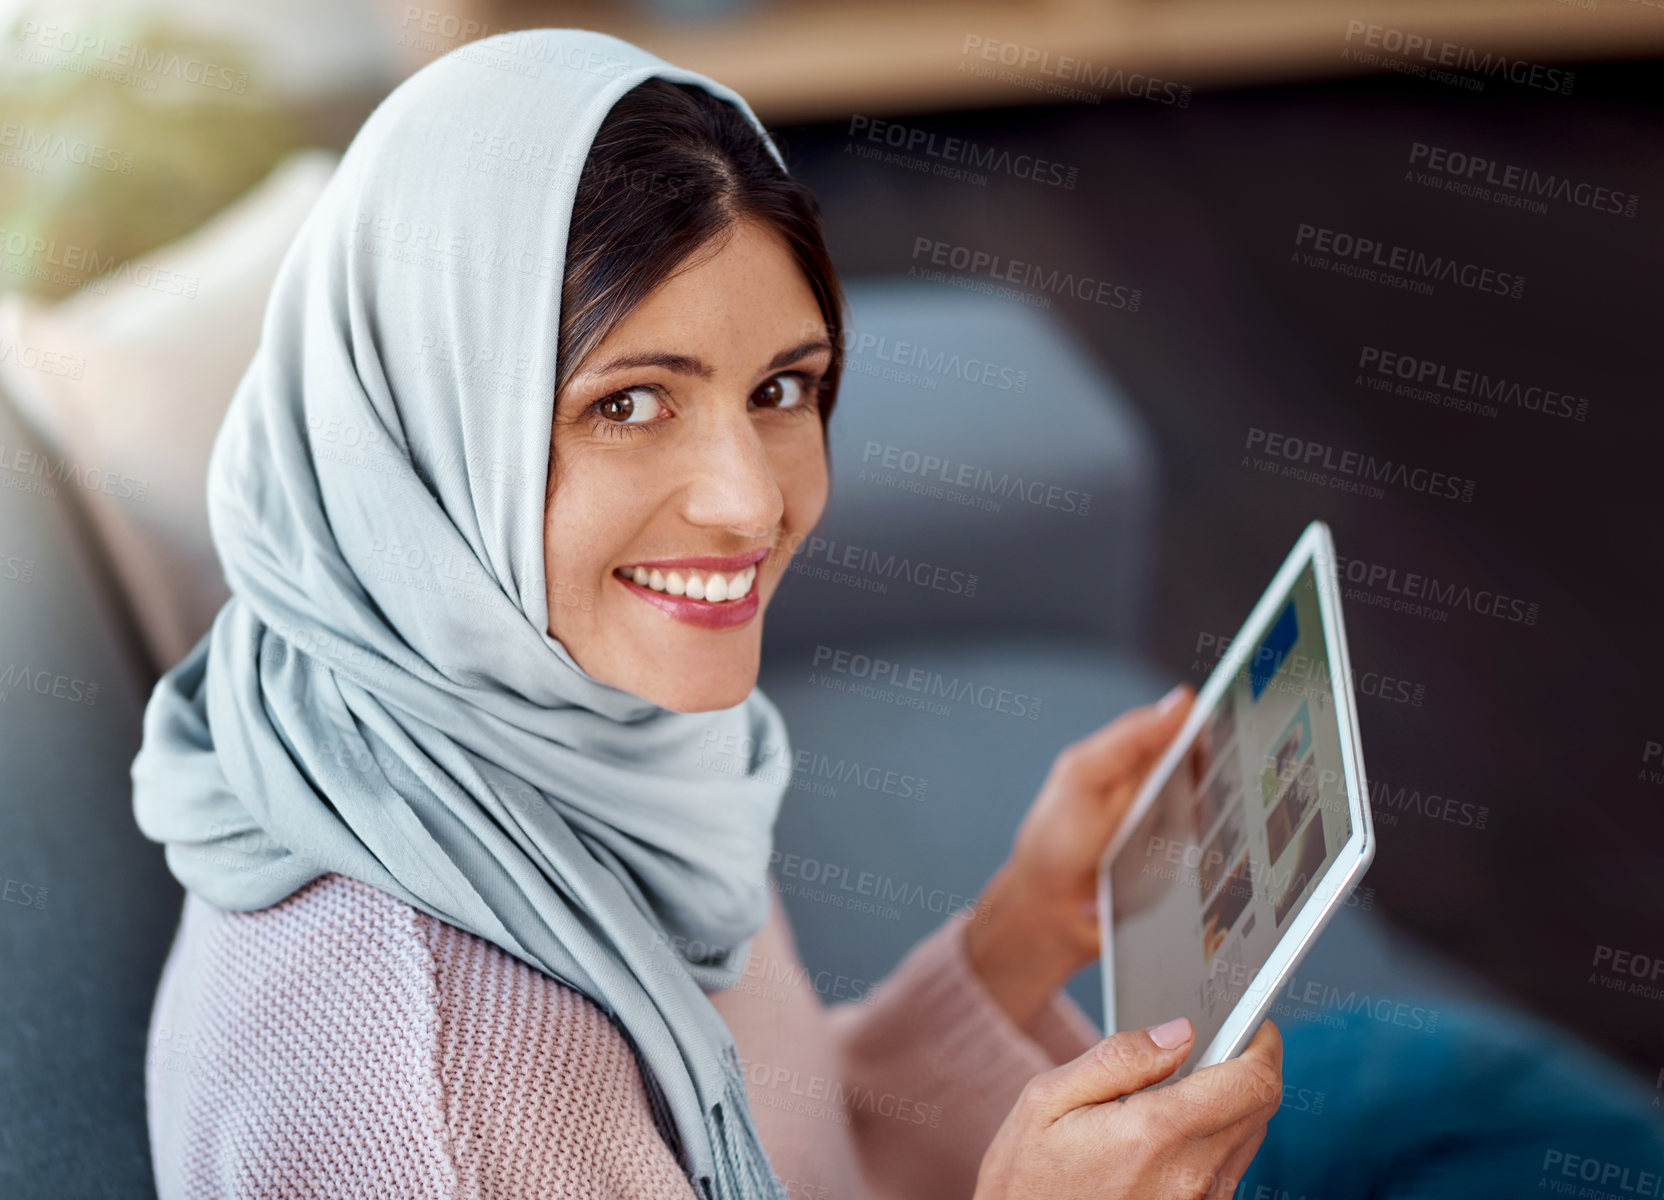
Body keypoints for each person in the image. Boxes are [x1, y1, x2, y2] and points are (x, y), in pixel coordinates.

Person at [131, 28, 1664, 1200]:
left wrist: (1008, 947)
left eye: (781, 387)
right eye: (629, 403)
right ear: (419, 429)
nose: (749, 501)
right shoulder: (444, 1110)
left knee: (1442, 1083)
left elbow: (772, 1143)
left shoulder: (532, 726)